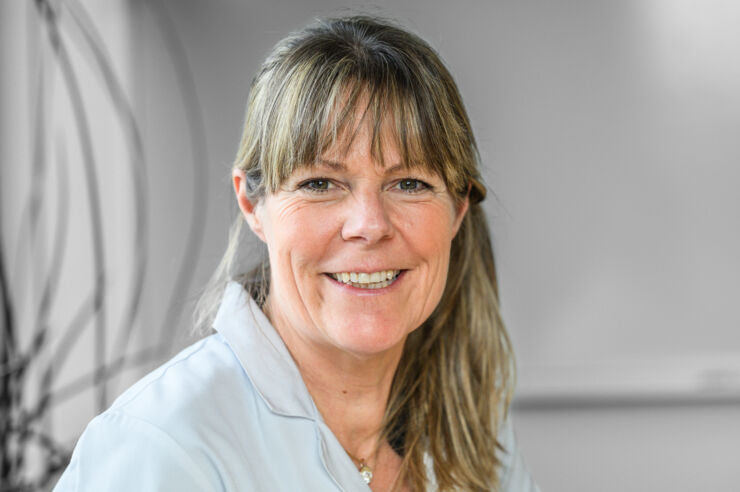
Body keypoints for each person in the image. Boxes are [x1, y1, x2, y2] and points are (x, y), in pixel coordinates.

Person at [54, 15, 540, 492]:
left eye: (409, 183)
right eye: (321, 183)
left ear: (457, 211)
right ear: (253, 204)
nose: (369, 226)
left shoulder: (472, 435)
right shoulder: (161, 447)